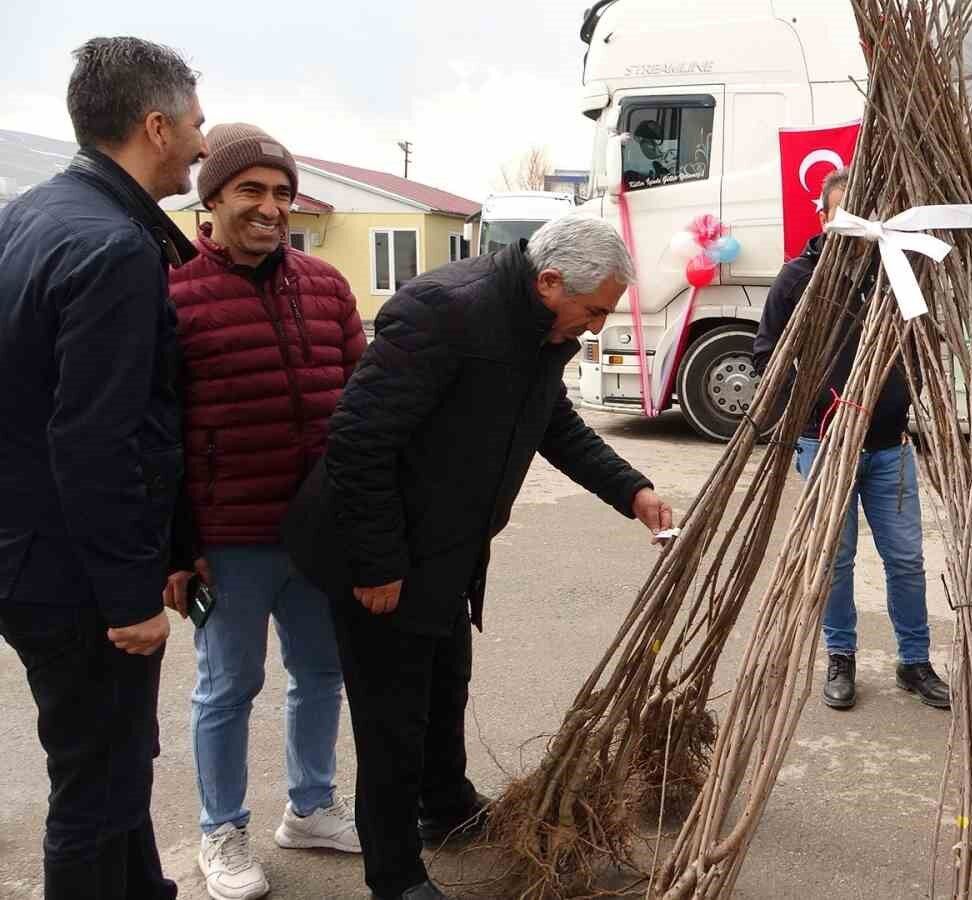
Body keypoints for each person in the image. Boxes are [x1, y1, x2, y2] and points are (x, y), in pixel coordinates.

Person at [280, 214, 672, 900]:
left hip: (448, 548)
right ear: (550, 282)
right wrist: (377, 565)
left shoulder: (536, 330)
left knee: (443, 684)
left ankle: (446, 806)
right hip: (381, 552)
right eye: (593, 310)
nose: (593, 325)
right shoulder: (444, 312)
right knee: (392, 718)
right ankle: (395, 875)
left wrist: (631, 491)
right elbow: (357, 443)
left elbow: (552, 422)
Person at [0, 36, 207, 900]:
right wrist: (129, 597)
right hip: (75, 578)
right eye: (196, 125)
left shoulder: (29, 215)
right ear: (155, 126)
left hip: (26, 553)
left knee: (117, 759)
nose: (203, 142)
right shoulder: (116, 249)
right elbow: (95, 441)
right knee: (95, 785)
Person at [164, 124, 367, 900]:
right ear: (210, 199)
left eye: (281, 192)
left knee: (321, 672)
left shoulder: (326, 286)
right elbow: (159, 434)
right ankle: (222, 829)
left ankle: (311, 807)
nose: (270, 207)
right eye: (251, 190)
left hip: (318, 533)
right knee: (227, 686)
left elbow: (361, 404)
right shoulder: (172, 294)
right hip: (229, 540)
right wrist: (176, 550)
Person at [752, 167, 950, 711]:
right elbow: (766, 355)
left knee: (906, 558)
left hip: (889, 447)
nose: (859, 234)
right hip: (822, 443)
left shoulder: (896, 276)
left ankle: (915, 661)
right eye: (848, 222)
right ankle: (840, 657)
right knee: (832, 561)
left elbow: (925, 345)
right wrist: (818, 400)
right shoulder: (800, 278)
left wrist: (902, 392)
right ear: (825, 218)